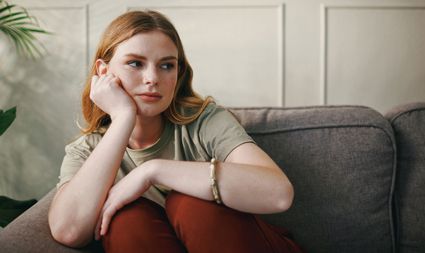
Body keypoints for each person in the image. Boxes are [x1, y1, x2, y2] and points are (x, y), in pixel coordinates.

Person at [48, 10, 303, 253]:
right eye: (135, 63)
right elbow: (69, 231)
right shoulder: (88, 149)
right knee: (125, 220)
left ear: (178, 72)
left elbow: (278, 194)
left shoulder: (204, 121)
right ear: (104, 72)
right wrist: (123, 118)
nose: (152, 78)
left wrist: (152, 171)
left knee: (190, 204)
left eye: (166, 65)